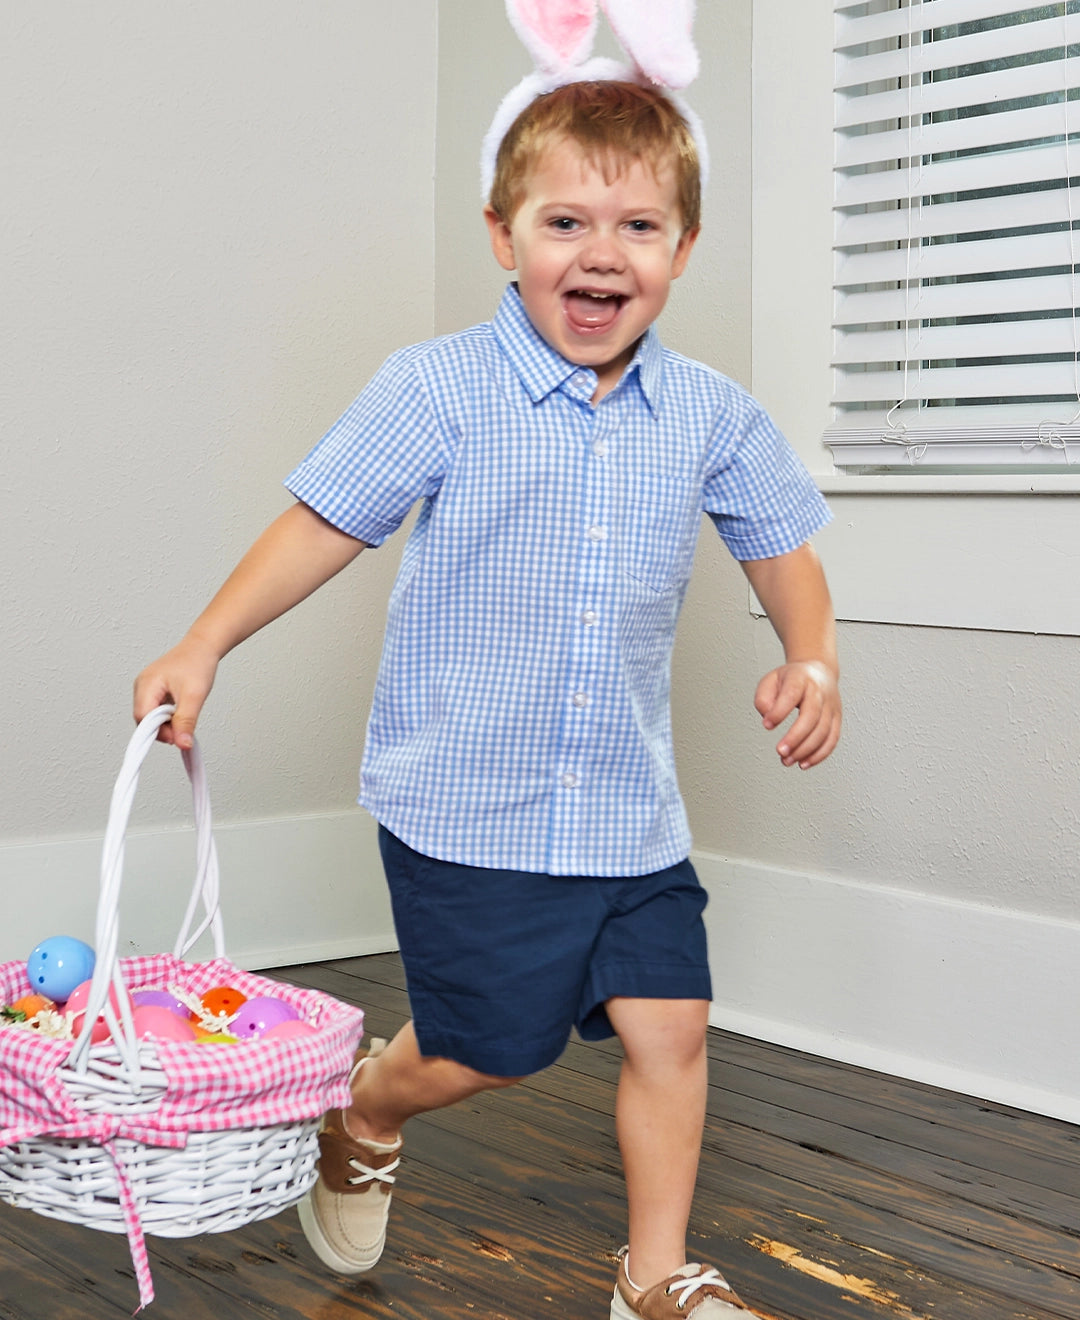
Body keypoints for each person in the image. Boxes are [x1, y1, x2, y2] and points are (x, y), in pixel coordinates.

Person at [134, 78, 840, 1320]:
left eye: (636, 227)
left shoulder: (712, 415)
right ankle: (364, 1112)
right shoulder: (437, 388)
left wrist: (812, 651)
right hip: (471, 806)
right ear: (501, 234)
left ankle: (656, 1277)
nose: (600, 253)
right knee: (482, 1053)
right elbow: (320, 525)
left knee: (673, 1025)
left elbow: (782, 543)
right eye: (564, 223)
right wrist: (205, 644)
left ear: (684, 249)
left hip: (629, 808)